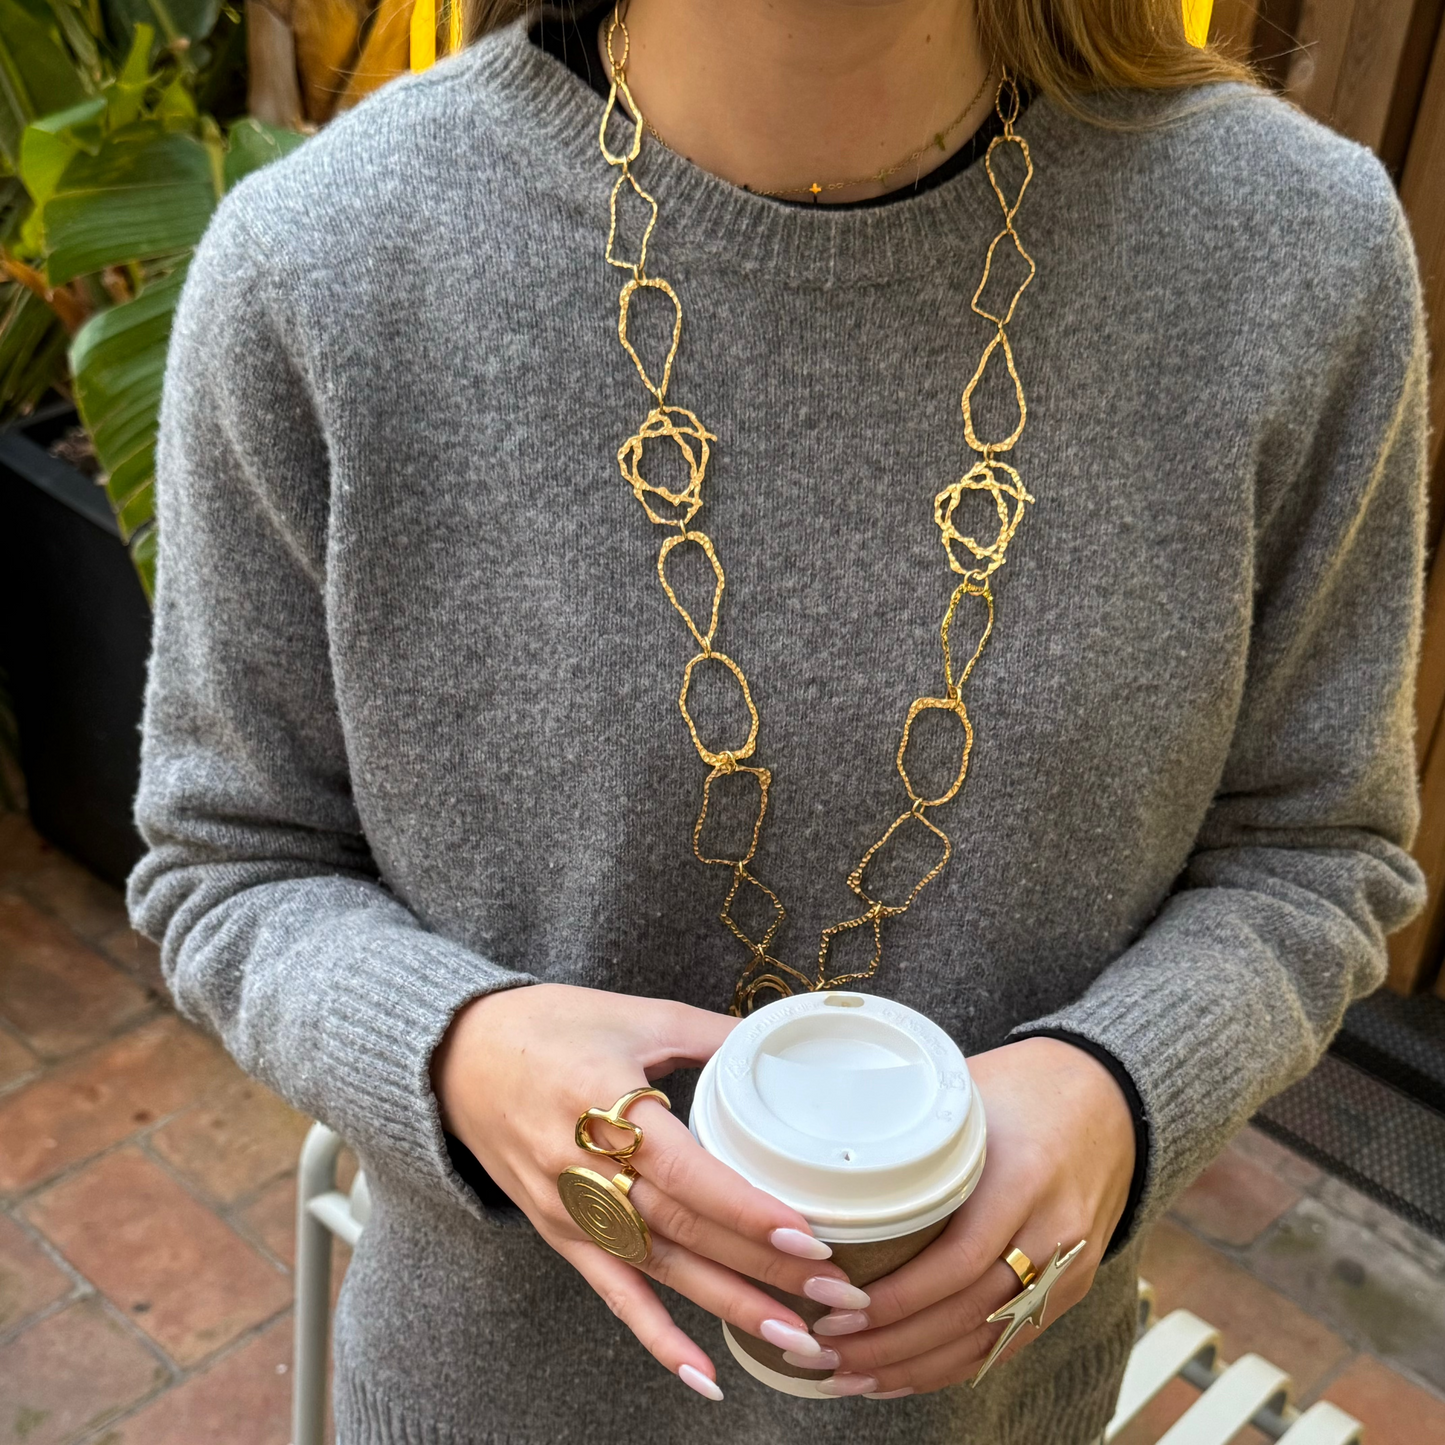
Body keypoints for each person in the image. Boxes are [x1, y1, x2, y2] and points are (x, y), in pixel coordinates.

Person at [128, 0, 1428, 1441]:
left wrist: (1123, 1090)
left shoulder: (1293, 252)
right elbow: (230, 859)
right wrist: (460, 1052)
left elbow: (1313, 851)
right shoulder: (324, 266)